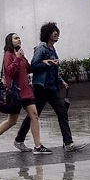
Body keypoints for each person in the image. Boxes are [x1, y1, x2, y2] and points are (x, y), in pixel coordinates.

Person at [14, 21, 79, 151]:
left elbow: (53, 68)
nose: (56, 33)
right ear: (47, 34)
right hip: (41, 88)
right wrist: (47, 63)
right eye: (53, 31)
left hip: (52, 88)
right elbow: (33, 66)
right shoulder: (41, 48)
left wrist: (61, 80)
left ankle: (68, 143)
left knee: (62, 112)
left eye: (57, 31)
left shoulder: (52, 49)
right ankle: (19, 139)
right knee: (33, 115)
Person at [0, 32, 50, 155]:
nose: (19, 39)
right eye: (15, 38)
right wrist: (17, 58)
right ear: (10, 41)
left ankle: (38, 145)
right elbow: (10, 71)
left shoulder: (20, 54)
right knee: (12, 120)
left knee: (34, 115)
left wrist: (43, 62)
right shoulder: (8, 55)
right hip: (15, 92)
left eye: (19, 38)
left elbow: (28, 69)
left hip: (26, 92)